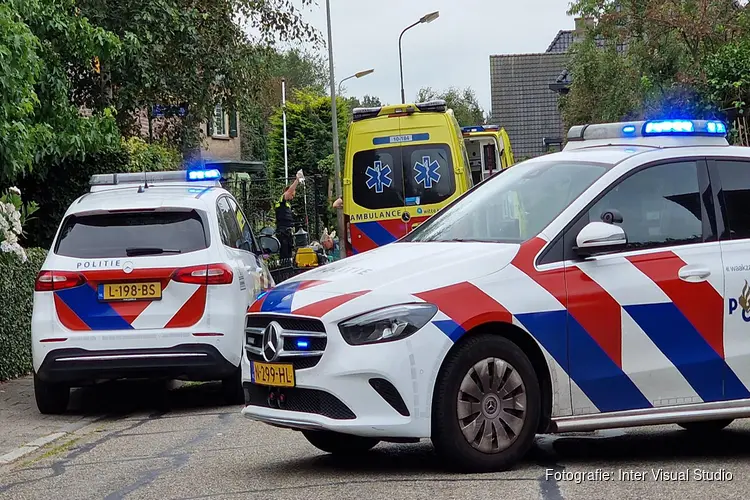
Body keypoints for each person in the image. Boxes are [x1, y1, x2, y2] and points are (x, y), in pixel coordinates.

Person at [275, 170, 304, 260]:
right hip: (282, 231)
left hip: (287, 232)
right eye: (292, 195)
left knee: (289, 252)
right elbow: (289, 192)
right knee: (284, 253)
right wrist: (297, 180)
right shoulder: (281, 200)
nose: (293, 197)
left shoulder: (287, 205)